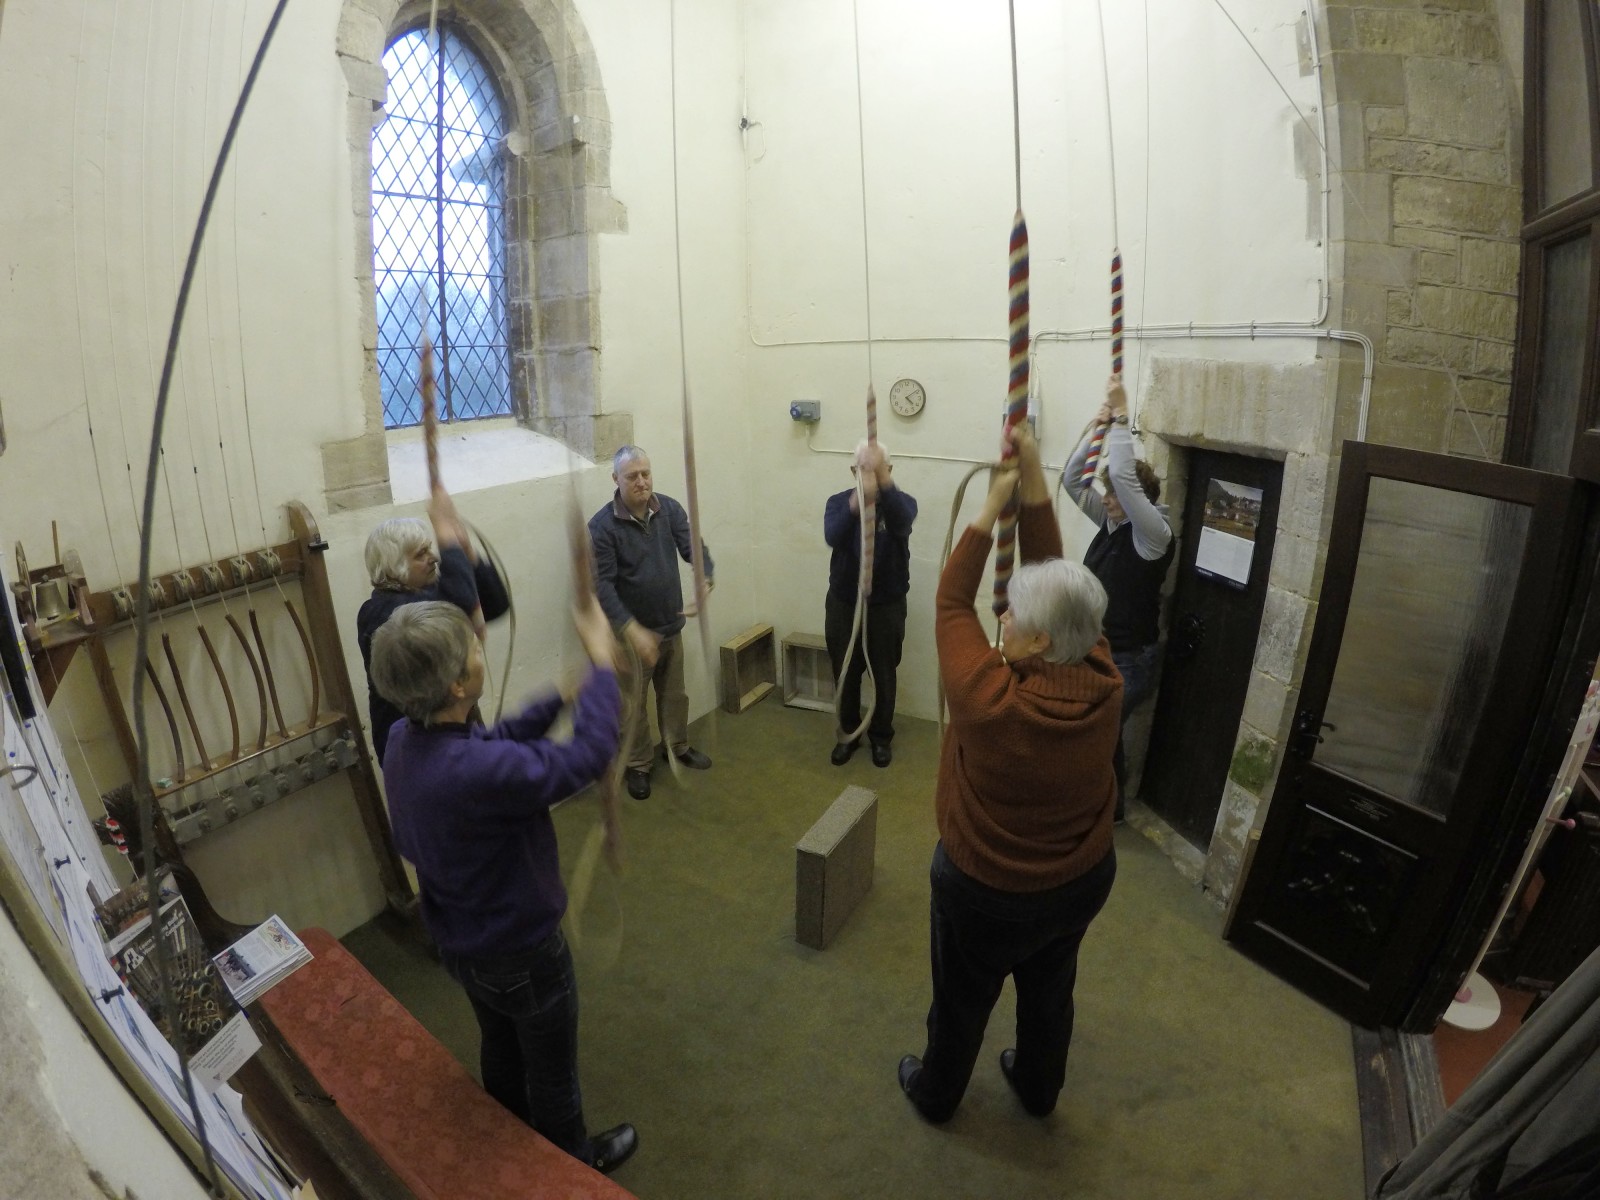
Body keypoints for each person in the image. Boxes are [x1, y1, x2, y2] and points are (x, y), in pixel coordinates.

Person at [898, 421, 1122, 1125]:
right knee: (1050, 992)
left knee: (961, 998)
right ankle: (1037, 1087)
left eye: (1014, 617)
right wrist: (1033, 475)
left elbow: (948, 602)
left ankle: (937, 1095)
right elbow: (1055, 576)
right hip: (1079, 881)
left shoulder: (990, 701)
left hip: (987, 893)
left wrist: (995, 501)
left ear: (1040, 640)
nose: (1002, 617)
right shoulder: (1101, 671)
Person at [371, 597, 638, 1175]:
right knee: (553, 1071)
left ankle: (508, 1124)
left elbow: (491, 744)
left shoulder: (403, 739)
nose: (480, 649)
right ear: (458, 683)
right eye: (473, 647)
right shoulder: (476, 774)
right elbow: (587, 756)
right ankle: (572, 1166)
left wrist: (559, 694)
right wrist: (600, 670)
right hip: (521, 950)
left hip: (461, 940)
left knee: (500, 1037)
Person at [1062, 376, 1174, 821]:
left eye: (1114, 494)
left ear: (1137, 501)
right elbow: (1073, 481)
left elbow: (1126, 480)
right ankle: (1111, 809)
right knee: (1103, 732)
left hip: (1130, 659)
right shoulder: (1112, 523)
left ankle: (1101, 809)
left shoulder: (1153, 535)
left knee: (1097, 728)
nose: (1106, 499)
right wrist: (1098, 426)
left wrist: (1123, 417)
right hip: (1100, 649)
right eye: (1107, 493)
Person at [588, 445, 714, 801]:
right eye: (632, 476)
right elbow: (602, 587)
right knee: (632, 706)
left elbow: (692, 547)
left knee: (675, 694)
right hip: (630, 636)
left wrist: (705, 575)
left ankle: (677, 746)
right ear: (616, 479)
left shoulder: (668, 509)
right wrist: (632, 630)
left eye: (645, 473)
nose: (642, 482)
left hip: (669, 624)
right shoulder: (602, 527)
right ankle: (639, 764)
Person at [356, 486, 509, 762]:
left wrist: (467, 552)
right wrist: (446, 536)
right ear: (394, 566)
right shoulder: (380, 613)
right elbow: (459, 604)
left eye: (431, 548)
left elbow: (496, 604)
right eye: (421, 554)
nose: (434, 557)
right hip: (416, 747)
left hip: (453, 730)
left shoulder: (428, 593)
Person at [823, 441, 917, 767]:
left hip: (886, 605)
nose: (871, 475)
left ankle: (881, 737)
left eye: (880, 469)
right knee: (845, 672)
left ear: (889, 470)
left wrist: (882, 483)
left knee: (884, 674)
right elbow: (833, 535)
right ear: (853, 471)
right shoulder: (838, 503)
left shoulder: (902, 504)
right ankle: (848, 734)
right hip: (844, 603)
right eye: (863, 469)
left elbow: (903, 523)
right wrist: (858, 499)